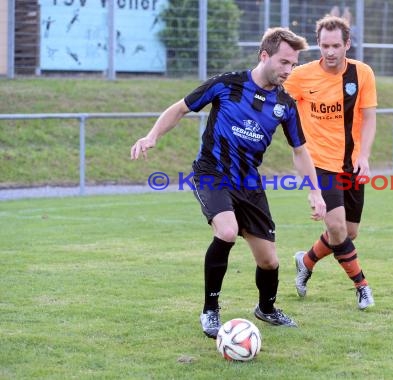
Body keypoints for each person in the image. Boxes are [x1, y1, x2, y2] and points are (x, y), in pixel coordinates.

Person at [130, 27, 327, 338]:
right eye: (284, 62)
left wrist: (315, 191)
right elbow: (181, 107)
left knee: (269, 260)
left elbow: (300, 151)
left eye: (293, 64)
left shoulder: (285, 105)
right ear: (265, 56)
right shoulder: (227, 84)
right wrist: (152, 135)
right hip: (212, 173)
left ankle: (267, 308)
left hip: (249, 183)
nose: (289, 70)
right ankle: (210, 310)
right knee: (227, 230)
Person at [283, 15, 377, 310]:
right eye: (325, 45)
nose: (330, 52)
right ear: (318, 44)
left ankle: (306, 260)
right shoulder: (300, 76)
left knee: (348, 233)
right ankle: (362, 286)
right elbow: (274, 98)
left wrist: (364, 156)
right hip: (319, 163)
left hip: (351, 164)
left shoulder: (362, 74)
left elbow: (370, 117)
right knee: (336, 226)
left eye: (336, 45)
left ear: (347, 44)